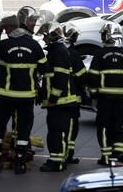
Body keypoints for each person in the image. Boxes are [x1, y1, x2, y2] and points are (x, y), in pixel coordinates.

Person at [0, 15, 48, 174]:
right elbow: (44, 69)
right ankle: (20, 163)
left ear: (7, 28)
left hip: (7, 96)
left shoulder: (3, 45)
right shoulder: (35, 46)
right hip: (27, 97)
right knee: (24, 129)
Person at [87, 22, 123, 165]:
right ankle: (119, 157)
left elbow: (92, 77)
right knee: (121, 127)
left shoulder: (99, 54)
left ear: (108, 36)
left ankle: (106, 157)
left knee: (104, 127)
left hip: (104, 100)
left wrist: (94, 94)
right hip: (121, 100)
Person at [36, 22, 84, 172]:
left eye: (45, 36)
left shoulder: (59, 52)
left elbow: (61, 78)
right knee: (59, 132)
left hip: (60, 103)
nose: (43, 39)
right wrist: (43, 94)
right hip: (61, 102)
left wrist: (52, 99)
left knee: (56, 132)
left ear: (52, 36)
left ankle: (56, 162)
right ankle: (60, 159)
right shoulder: (56, 51)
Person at [62, 24, 86, 165]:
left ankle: (61, 154)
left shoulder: (54, 52)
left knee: (59, 127)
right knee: (71, 127)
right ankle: (68, 155)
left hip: (56, 99)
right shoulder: (74, 54)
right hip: (72, 98)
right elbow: (82, 76)